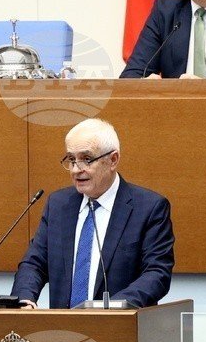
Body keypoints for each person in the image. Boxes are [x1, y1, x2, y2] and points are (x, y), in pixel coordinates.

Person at [12, 118, 174, 309]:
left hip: (119, 330)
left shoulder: (149, 208)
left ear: (113, 160)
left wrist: (109, 308)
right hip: (62, 332)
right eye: (71, 159)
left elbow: (156, 273)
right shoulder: (58, 205)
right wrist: (24, 299)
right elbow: (34, 263)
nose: (76, 170)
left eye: (86, 159)